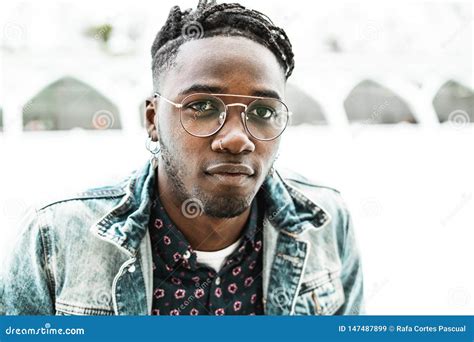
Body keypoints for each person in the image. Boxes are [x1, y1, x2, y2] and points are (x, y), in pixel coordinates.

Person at [0, 0, 363, 315]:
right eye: (203, 107)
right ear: (153, 119)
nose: (237, 139)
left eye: (263, 112)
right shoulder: (57, 237)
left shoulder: (326, 225)